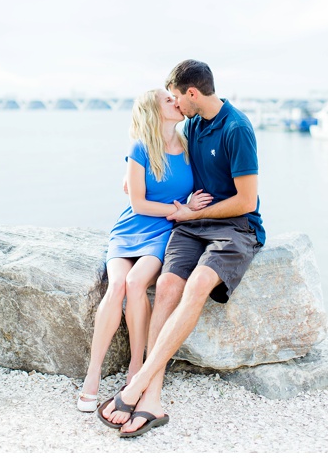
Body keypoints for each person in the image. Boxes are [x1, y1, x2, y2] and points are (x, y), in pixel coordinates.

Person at [98, 59, 265, 438]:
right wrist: (131, 181)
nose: (175, 104)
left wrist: (187, 217)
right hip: (193, 224)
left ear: (192, 93)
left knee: (194, 287)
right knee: (169, 287)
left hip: (235, 228)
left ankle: (136, 385)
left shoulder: (237, 129)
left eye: (177, 97)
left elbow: (247, 201)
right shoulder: (191, 126)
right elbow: (159, 156)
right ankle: (152, 398)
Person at [77, 89, 212, 412]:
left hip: (164, 232)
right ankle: (92, 375)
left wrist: (191, 208)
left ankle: (136, 366)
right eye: (168, 100)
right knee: (117, 286)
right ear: (154, 111)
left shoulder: (189, 147)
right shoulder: (140, 148)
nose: (175, 102)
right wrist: (180, 208)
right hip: (130, 228)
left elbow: (201, 187)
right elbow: (137, 203)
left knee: (137, 283)